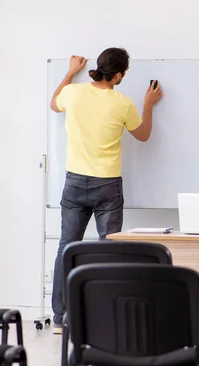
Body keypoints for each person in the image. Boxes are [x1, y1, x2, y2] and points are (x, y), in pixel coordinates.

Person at [50, 47, 162, 333]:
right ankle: (104, 315)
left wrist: (70, 72)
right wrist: (148, 105)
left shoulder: (74, 93)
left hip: (74, 181)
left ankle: (61, 318)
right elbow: (144, 135)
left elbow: (54, 103)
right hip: (107, 184)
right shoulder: (122, 103)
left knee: (66, 247)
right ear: (119, 75)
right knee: (110, 249)